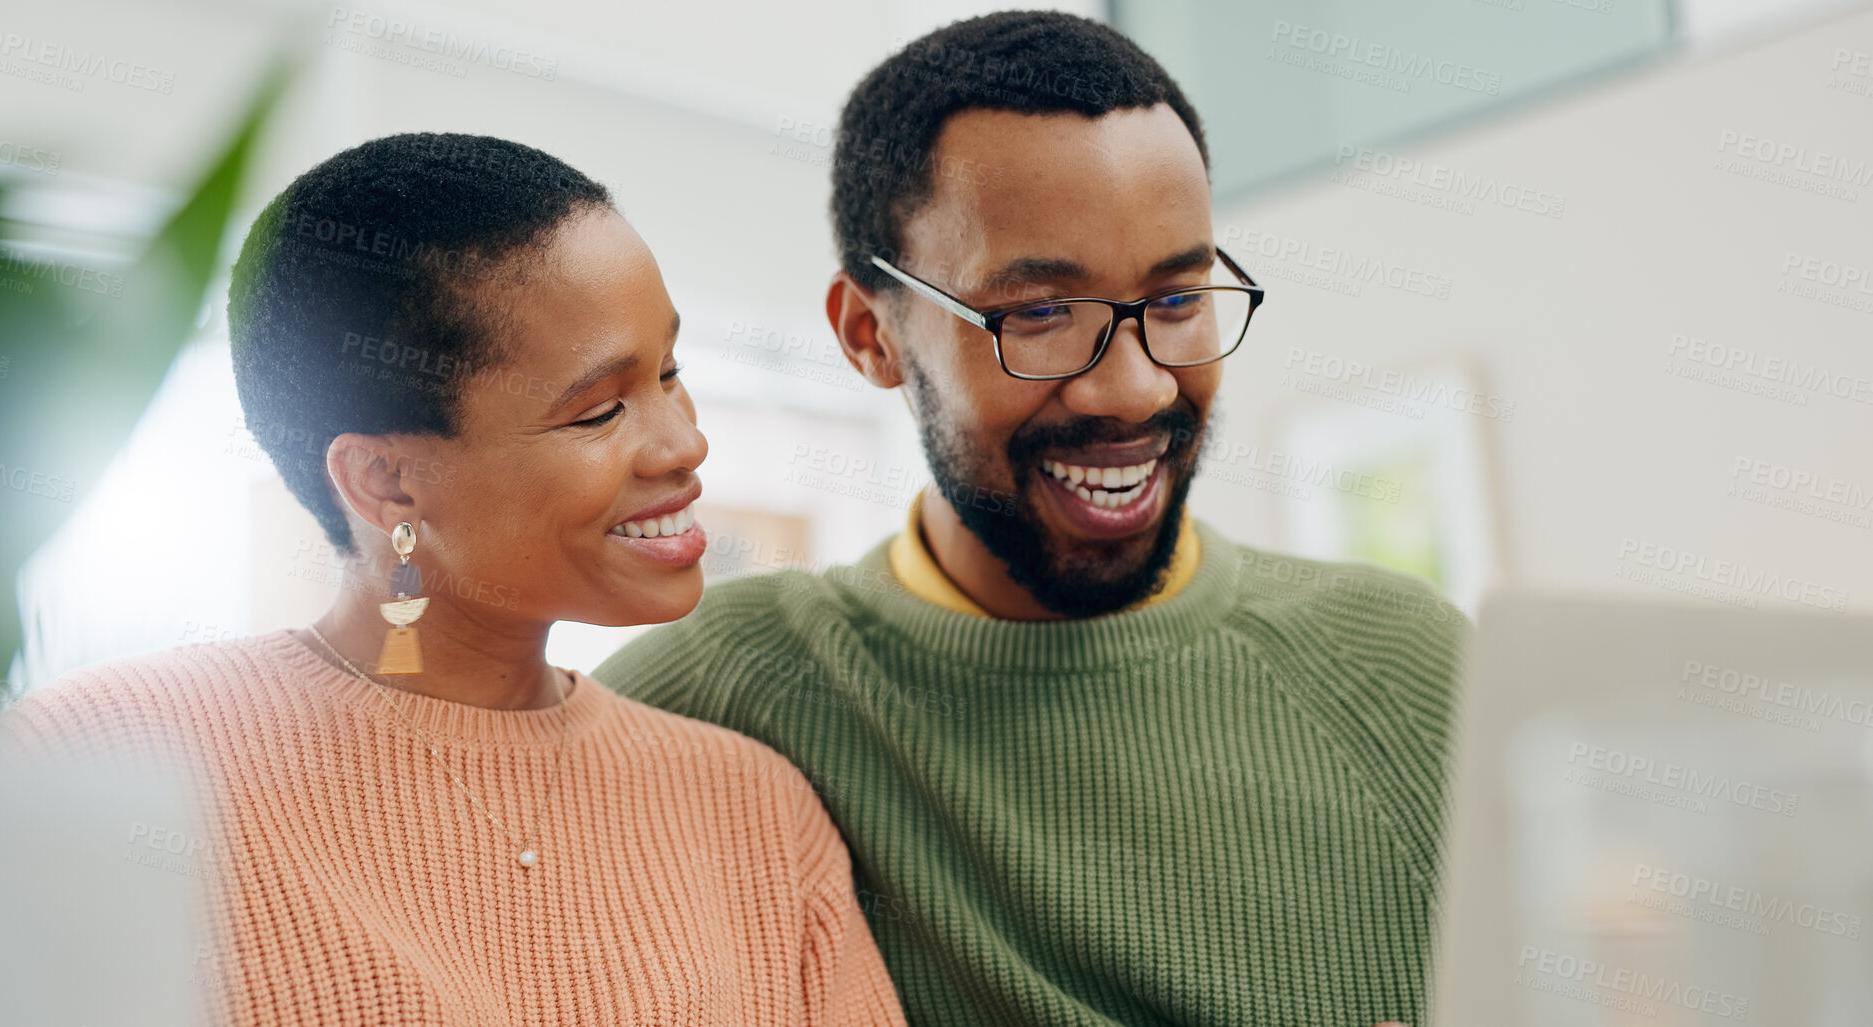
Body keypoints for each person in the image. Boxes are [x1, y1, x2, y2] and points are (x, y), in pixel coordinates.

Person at [595, 12, 1468, 1027]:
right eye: (1041, 316)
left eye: (1178, 299)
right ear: (870, 335)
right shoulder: (723, 691)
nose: (1134, 389)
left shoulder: (1413, 669)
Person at [0, 133, 905, 1026]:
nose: (683, 442)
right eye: (599, 410)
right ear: (385, 480)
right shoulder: (97, 764)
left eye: (669, 372)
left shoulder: (754, 807)